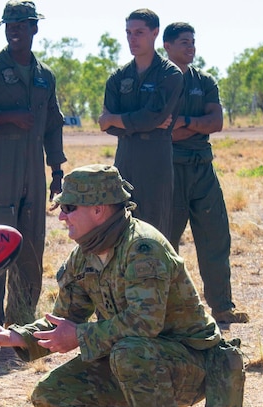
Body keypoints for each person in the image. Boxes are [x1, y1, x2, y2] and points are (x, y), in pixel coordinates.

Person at [0, 164, 222, 407]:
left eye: (69, 208)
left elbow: (145, 323)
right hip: (140, 361)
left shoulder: (143, 248)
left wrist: (79, 337)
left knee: (129, 351)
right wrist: (14, 336)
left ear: (99, 209)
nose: (61, 217)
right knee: (50, 396)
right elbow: (65, 318)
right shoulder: (86, 254)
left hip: (191, 365)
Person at [0, 0, 66, 327]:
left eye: (21, 25)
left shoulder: (45, 76)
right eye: (9, 25)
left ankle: (21, 319)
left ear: (35, 28)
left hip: (33, 167)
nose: (15, 30)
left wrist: (57, 171)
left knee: (31, 242)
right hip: (1, 165)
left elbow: (53, 125)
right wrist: (5, 117)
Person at [161, 22, 249, 325]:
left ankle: (222, 307)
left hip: (203, 168)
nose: (190, 48)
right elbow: (163, 130)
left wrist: (185, 121)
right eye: (184, 42)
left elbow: (216, 122)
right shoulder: (158, 80)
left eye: (192, 42)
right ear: (167, 46)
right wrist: (192, 124)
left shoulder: (205, 81)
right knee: (164, 241)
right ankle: (161, 309)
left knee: (215, 238)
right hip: (169, 171)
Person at [98, 8, 183, 238]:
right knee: (121, 225)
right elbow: (108, 126)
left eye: (139, 32)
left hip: (155, 159)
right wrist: (142, 121)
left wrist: (116, 120)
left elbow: (151, 117)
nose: (132, 39)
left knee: (154, 230)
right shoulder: (118, 77)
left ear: (155, 33)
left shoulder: (170, 75)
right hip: (125, 156)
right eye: (128, 33)